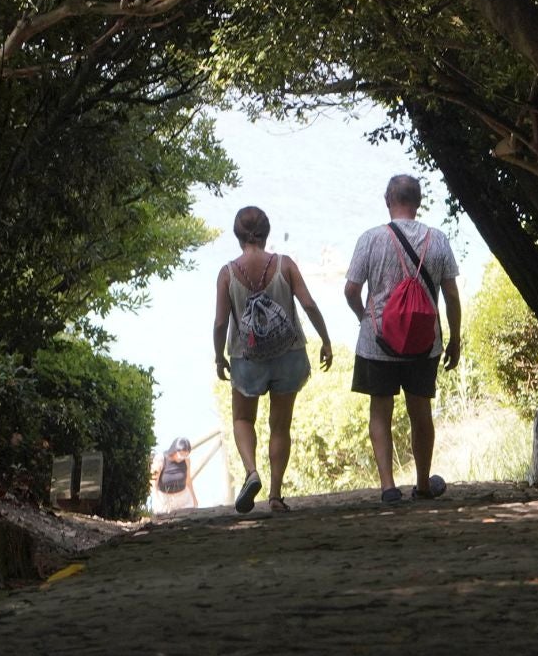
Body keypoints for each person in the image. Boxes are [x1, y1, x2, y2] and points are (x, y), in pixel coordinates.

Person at [343, 174, 462, 504]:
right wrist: (454, 337)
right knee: (420, 410)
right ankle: (423, 484)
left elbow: (351, 290)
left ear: (387, 200)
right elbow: (451, 295)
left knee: (380, 409)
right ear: (419, 202)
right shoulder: (437, 240)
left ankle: (388, 488)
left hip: (377, 342)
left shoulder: (370, 239)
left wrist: (364, 317)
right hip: (424, 343)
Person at [213, 206, 333, 513]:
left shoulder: (227, 273)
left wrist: (218, 357)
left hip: (246, 356)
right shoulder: (285, 264)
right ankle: (276, 495)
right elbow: (308, 304)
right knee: (280, 425)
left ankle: (252, 472)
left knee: (242, 418)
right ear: (266, 233)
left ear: (238, 236)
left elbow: (219, 324)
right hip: (288, 353)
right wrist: (325, 339)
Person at [152, 436, 198, 513]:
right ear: (174, 450)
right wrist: (156, 502)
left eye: (185, 455)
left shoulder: (186, 460)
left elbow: (188, 481)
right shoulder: (160, 459)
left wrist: (194, 498)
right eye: (181, 454)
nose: (182, 457)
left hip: (184, 499)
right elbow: (153, 484)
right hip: (164, 500)